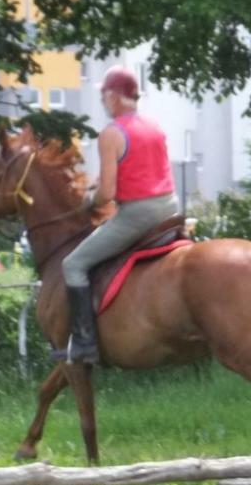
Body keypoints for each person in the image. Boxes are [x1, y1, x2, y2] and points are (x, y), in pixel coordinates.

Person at [60, 66, 179, 363]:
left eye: (103, 96)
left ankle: (85, 345)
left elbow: (107, 195)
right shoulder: (155, 126)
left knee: (73, 264)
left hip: (138, 215)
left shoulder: (111, 134)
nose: (102, 102)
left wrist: (89, 201)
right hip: (170, 209)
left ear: (113, 97)